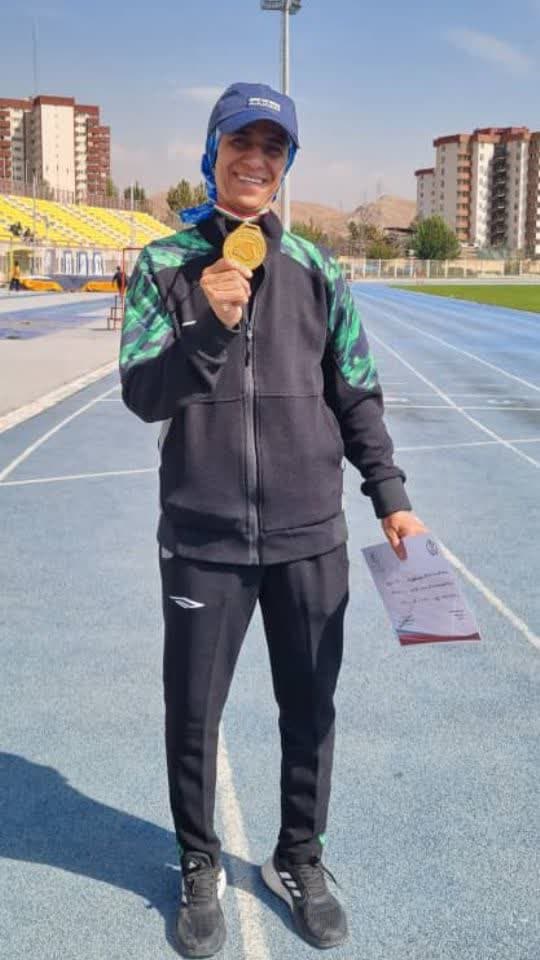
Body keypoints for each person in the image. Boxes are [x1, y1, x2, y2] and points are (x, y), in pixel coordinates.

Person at [120, 82, 426, 958]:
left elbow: (356, 392)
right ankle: (197, 859)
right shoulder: (163, 264)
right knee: (193, 714)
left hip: (309, 535)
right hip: (202, 539)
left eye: (273, 147)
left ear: (286, 164)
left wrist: (391, 498)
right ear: (212, 151)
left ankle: (300, 855)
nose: (255, 159)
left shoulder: (319, 269)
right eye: (240, 142)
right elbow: (143, 392)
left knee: (311, 708)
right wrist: (209, 328)